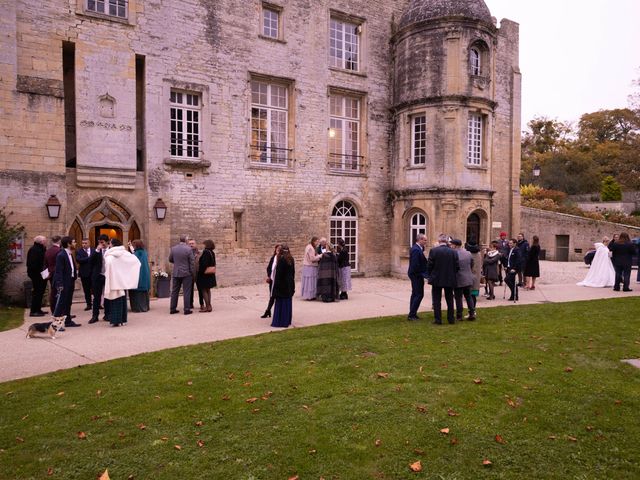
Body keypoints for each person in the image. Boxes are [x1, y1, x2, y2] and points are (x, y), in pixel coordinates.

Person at [103, 238, 141, 327]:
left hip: (114, 280)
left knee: (115, 301)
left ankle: (116, 321)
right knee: (122, 300)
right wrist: (126, 275)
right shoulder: (125, 253)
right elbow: (136, 262)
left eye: (110, 243)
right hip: (122, 281)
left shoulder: (110, 255)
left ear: (112, 245)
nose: (109, 245)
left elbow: (108, 266)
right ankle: (123, 320)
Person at [427, 234, 459, 325]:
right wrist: (452, 274)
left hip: (437, 278)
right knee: (449, 299)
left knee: (437, 300)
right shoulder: (453, 252)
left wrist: (430, 275)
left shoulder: (434, 251)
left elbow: (429, 265)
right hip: (449, 278)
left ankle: (438, 319)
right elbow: (457, 266)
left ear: (439, 241)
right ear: (446, 241)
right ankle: (451, 319)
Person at [52, 236, 80, 328]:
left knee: (68, 302)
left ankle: (67, 321)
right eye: (74, 242)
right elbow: (58, 271)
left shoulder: (70, 254)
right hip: (64, 283)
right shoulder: (61, 255)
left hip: (70, 281)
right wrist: (60, 284)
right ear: (68, 244)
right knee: (61, 304)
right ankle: (56, 325)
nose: (75, 243)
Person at [169, 235, 195, 315]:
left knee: (174, 291)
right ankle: (186, 309)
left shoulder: (173, 248)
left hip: (176, 272)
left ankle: (172, 308)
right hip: (186, 273)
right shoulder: (189, 249)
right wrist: (192, 272)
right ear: (186, 241)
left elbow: (170, 259)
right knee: (186, 291)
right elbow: (192, 262)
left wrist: (177, 263)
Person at [271, 244, 295, 328]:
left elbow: (278, 275)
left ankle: (280, 321)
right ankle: (287, 320)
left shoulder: (281, 260)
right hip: (289, 284)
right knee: (287, 303)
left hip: (282, 285)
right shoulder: (291, 259)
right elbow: (293, 273)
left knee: (281, 304)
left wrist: (275, 288)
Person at [451, 239, 475, 321]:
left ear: (455, 245)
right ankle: (472, 313)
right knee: (468, 296)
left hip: (458, 278)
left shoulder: (454, 253)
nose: (451, 246)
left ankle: (459, 315)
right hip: (468, 277)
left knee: (458, 298)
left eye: (452, 245)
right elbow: (472, 263)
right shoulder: (468, 253)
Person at [88, 234, 109, 324]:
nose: (101, 244)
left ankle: (107, 315)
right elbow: (90, 261)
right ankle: (95, 316)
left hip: (108, 276)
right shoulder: (96, 251)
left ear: (107, 242)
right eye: (99, 242)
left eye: (102, 242)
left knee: (108, 296)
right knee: (96, 297)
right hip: (98, 276)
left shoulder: (111, 250)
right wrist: (97, 250)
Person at [407, 233, 428, 321]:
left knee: (415, 294)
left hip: (415, 274)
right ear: (420, 240)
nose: (426, 242)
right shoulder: (416, 249)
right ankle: (412, 315)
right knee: (419, 294)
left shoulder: (419, 248)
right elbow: (415, 264)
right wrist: (422, 274)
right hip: (416, 275)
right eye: (425, 240)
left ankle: (412, 313)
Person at [26, 235, 48, 317]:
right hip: (36, 274)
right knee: (37, 292)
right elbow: (33, 264)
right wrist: (40, 272)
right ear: (41, 242)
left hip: (42, 274)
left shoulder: (41, 249)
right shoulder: (34, 250)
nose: (46, 242)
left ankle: (38, 309)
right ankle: (33, 311)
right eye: (45, 241)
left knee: (41, 292)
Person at [129, 239, 151, 312]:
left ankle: (138, 308)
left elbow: (132, 258)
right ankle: (145, 307)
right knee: (144, 293)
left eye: (134, 245)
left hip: (138, 275)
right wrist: (131, 246)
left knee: (137, 293)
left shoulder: (137, 254)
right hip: (145, 274)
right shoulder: (144, 252)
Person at [261, 244, 281, 318]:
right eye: (277, 250)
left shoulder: (281, 259)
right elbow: (269, 268)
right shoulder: (273, 258)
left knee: (274, 297)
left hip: (278, 281)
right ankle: (268, 311)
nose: (277, 251)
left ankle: (268, 311)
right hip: (272, 280)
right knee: (272, 296)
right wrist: (270, 276)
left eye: (279, 250)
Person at [196, 239, 217, 312]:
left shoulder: (206, 252)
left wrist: (199, 270)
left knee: (204, 290)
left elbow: (204, 264)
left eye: (204, 244)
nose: (203, 245)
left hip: (204, 275)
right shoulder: (212, 252)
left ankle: (207, 306)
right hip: (210, 274)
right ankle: (209, 306)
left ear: (207, 245)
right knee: (208, 290)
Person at [75, 238, 94, 311]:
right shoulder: (79, 251)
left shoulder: (94, 250)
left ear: (89, 243)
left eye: (86, 243)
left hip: (93, 273)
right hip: (84, 274)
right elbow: (79, 260)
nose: (84, 245)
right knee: (87, 290)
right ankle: (88, 304)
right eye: (83, 243)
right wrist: (89, 258)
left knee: (95, 290)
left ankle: (97, 304)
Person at [44, 235, 62, 313]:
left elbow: (45, 263)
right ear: (59, 241)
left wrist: (47, 273)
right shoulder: (59, 251)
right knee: (59, 292)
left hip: (50, 273)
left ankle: (53, 309)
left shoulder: (48, 251)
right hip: (57, 273)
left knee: (53, 291)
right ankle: (58, 311)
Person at [465, 238, 482, 310]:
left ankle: (471, 311)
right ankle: (473, 310)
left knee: (469, 296)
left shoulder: (468, 254)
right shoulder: (479, 254)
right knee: (473, 296)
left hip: (469, 277)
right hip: (476, 277)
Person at [188, 238, 204, 312]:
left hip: (198, 274)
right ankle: (190, 303)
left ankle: (201, 304)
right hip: (190, 274)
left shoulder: (200, 253)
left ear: (195, 244)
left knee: (200, 289)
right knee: (190, 290)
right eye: (190, 244)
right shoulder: (187, 254)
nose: (191, 245)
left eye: (192, 243)